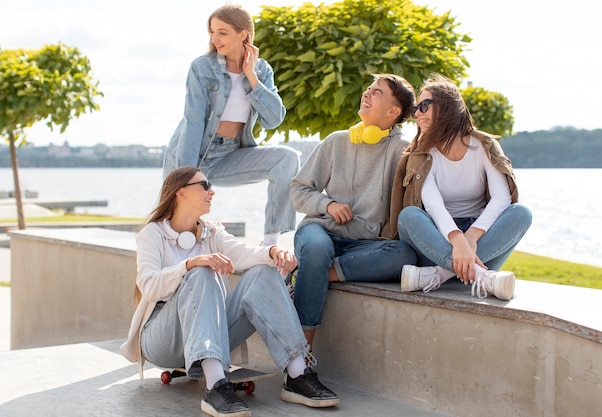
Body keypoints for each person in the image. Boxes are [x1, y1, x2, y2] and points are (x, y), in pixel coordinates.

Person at [120, 166, 339, 417]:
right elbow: (148, 285)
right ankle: (215, 386)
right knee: (202, 271)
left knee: (263, 272)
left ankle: (297, 374)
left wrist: (272, 253)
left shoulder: (212, 232)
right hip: (163, 339)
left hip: (210, 334)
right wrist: (190, 264)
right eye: (204, 185)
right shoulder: (152, 234)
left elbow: (243, 252)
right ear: (180, 192)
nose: (212, 191)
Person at [290, 73, 418, 353]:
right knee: (316, 248)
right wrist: (327, 205)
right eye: (368, 89)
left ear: (393, 112)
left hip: (365, 244)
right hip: (320, 230)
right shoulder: (337, 142)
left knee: (404, 255)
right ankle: (301, 356)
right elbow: (299, 190)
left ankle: (316, 274)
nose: (366, 94)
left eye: (377, 92)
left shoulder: (403, 152)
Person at [384, 73, 532, 301]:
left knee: (521, 214)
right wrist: (457, 240)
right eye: (416, 109)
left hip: (480, 238)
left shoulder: (483, 146)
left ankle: (438, 274)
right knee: (409, 216)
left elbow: (502, 198)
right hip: (436, 241)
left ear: (446, 106)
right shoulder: (421, 154)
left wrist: (471, 237)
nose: (418, 113)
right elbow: (434, 206)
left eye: (424, 105)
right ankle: (483, 275)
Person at [162, 4, 299, 247]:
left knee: (287, 158)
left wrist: (252, 77)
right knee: (174, 227)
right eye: (212, 32)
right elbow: (193, 122)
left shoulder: (262, 70)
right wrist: (186, 175)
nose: (215, 39)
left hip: (230, 154)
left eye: (222, 32)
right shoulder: (201, 68)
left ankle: (270, 241)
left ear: (243, 34)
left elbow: (274, 119)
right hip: (193, 152)